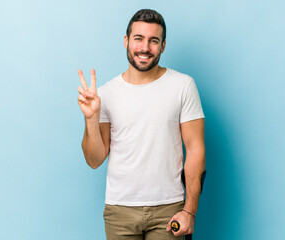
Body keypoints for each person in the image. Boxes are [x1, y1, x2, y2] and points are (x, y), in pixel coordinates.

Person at [77, 9, 206, 240]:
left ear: (163, 46)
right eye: (138, 38)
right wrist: (91, 119)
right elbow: (94, 160)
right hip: (120, 210)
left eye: (153, 40)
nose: (145, 48)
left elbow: (195, 149)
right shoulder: (106, 94)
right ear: (126, 41)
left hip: (169, 209)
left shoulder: (183, 86)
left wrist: (189, 211)